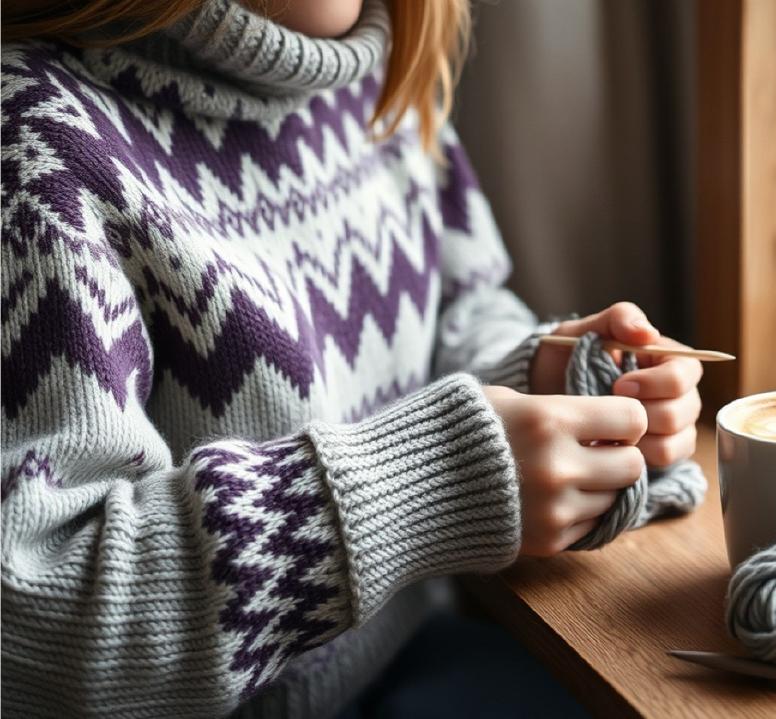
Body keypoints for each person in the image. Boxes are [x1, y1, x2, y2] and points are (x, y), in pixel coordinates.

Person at [0, 0, 703, 716]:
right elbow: (33, 614)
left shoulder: (379, 79)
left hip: (410, 657)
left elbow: (458, 312)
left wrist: (542, 380)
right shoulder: (33, 145)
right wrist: (435, 479)